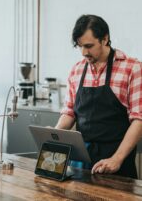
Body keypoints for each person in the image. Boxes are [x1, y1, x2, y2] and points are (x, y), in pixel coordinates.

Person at [55, 15, 142, 178]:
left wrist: (117, 158)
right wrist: (55, 133)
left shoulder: (132, 68)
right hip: (81, 160)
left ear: (105, 39)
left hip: (116, 160)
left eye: (89, 46)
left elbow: (139, 119)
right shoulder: (76, 70)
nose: (84, 53)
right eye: (80, 46)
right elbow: (69, 112)